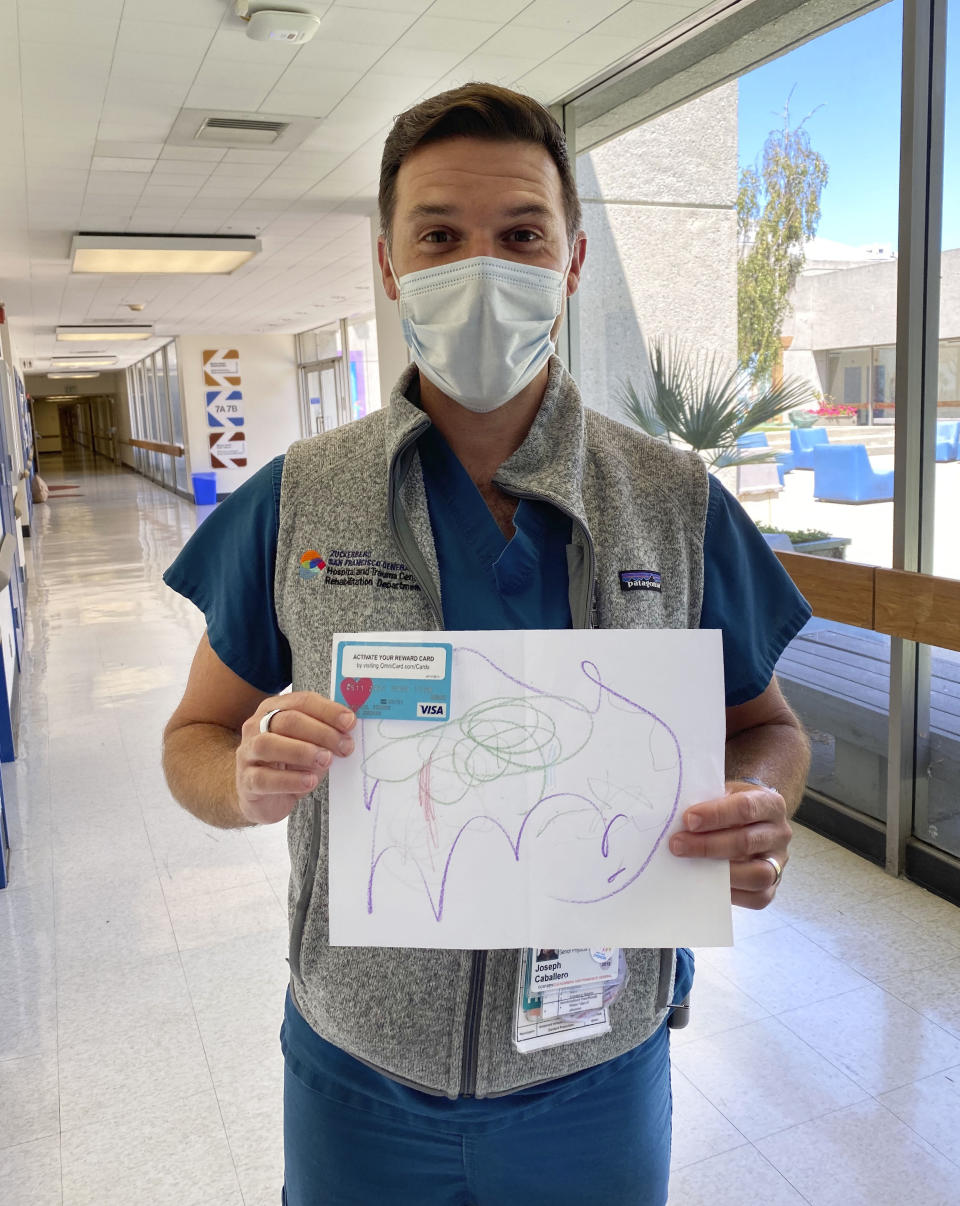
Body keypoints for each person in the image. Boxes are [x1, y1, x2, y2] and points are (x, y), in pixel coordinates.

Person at [162, 82, 811, 1206]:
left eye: (520, 235)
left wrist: (761, 801)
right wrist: (246, 774)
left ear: (570, 262)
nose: (481, 265)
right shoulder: (298, 502)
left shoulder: (672, 500)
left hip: (596, 1061)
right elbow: (194, 739)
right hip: (358, 1062)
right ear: (388, 262)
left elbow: (767, 728)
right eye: (439, 236)